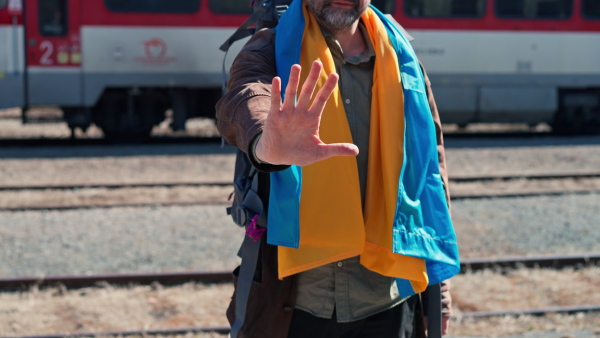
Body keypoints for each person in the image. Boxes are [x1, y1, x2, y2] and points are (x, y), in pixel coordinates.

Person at [216, 0, 460, 336]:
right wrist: (265, 142)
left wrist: (439, 293)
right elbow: (244, 96)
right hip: (296, 301)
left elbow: (430, 178)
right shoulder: (270, 46)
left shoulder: (402, 58)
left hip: (389, 297)